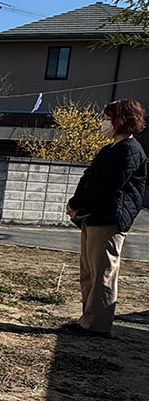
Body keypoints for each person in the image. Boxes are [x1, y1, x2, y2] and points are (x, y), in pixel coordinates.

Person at [64, 99, 148, 338]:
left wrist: (79, 203)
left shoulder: (130, 151)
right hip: (93, 216)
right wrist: (76, 203)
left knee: (102, 273)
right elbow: (90, 178)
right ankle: (87, 320)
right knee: (90, 272)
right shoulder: (109, 149)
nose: (104, 122)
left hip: (110, 218)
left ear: (121, 119)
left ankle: (97, 326)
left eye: (108, 117)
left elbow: (108, 186)